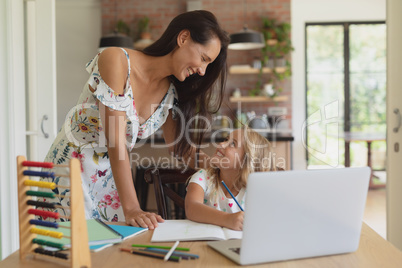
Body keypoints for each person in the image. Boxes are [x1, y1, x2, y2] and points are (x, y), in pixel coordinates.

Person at [38, 10, 230, 229]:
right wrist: (132, 208)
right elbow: (115, 141)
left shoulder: (171, 94)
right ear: (183, 38)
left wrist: (224, 167)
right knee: (70, 256)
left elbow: (180, 150)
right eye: (204, 59)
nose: (203, 71)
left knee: (108, 257)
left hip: (108, 182)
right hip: (68, 172)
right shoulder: (117, 60)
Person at [185, 127, 276, 231]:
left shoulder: (255, 190)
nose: (221, 144)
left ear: (246, 161)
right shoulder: (203, 177)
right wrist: (227, 219)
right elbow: (191, 208)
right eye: (226, 139)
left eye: (233, 144)